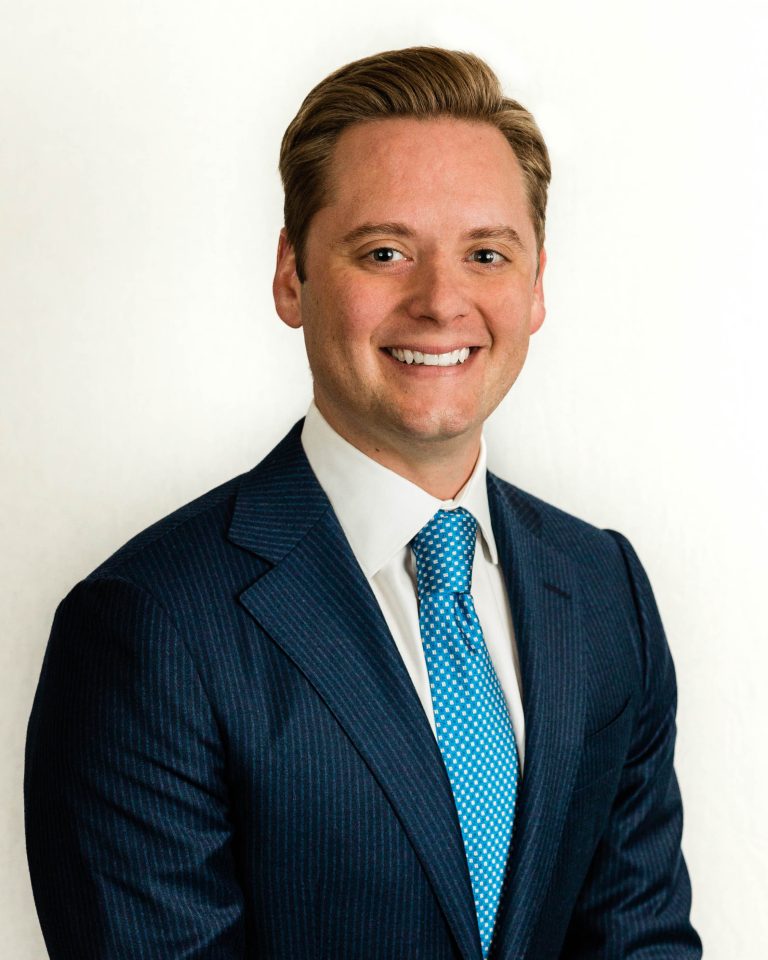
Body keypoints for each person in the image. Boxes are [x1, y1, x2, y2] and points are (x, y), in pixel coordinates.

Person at [25, 47, 702, 959]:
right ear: (292, 276)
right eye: (385, 252)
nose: (441, 301)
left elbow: (641, 938)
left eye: (486, 254)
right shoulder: (148, 627)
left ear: (536, 285)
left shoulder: (604, 587)